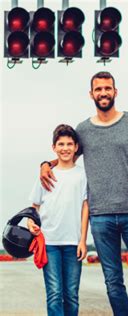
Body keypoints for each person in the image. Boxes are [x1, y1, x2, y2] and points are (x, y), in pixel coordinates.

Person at [40, 71, 128, 316]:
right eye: (98, 89)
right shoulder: (83, 130)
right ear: (91, 94)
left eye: (108, 88)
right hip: (100, 216)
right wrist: (46, 164)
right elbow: (66, 157)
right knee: (113, 282)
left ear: (115, 92)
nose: (103, 93)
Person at [28, 124, 89, 316]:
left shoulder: (82, 175)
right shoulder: (46, 175)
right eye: (61, 144)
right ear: (53, 147)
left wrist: (82, 241)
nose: (65, 148)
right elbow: (34, 206)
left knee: (71, 294)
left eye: (69, 144)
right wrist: (30, 222)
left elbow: (85, 207)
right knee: (54, 293)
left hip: (73, 242)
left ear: (76, 147)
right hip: (49, 243)